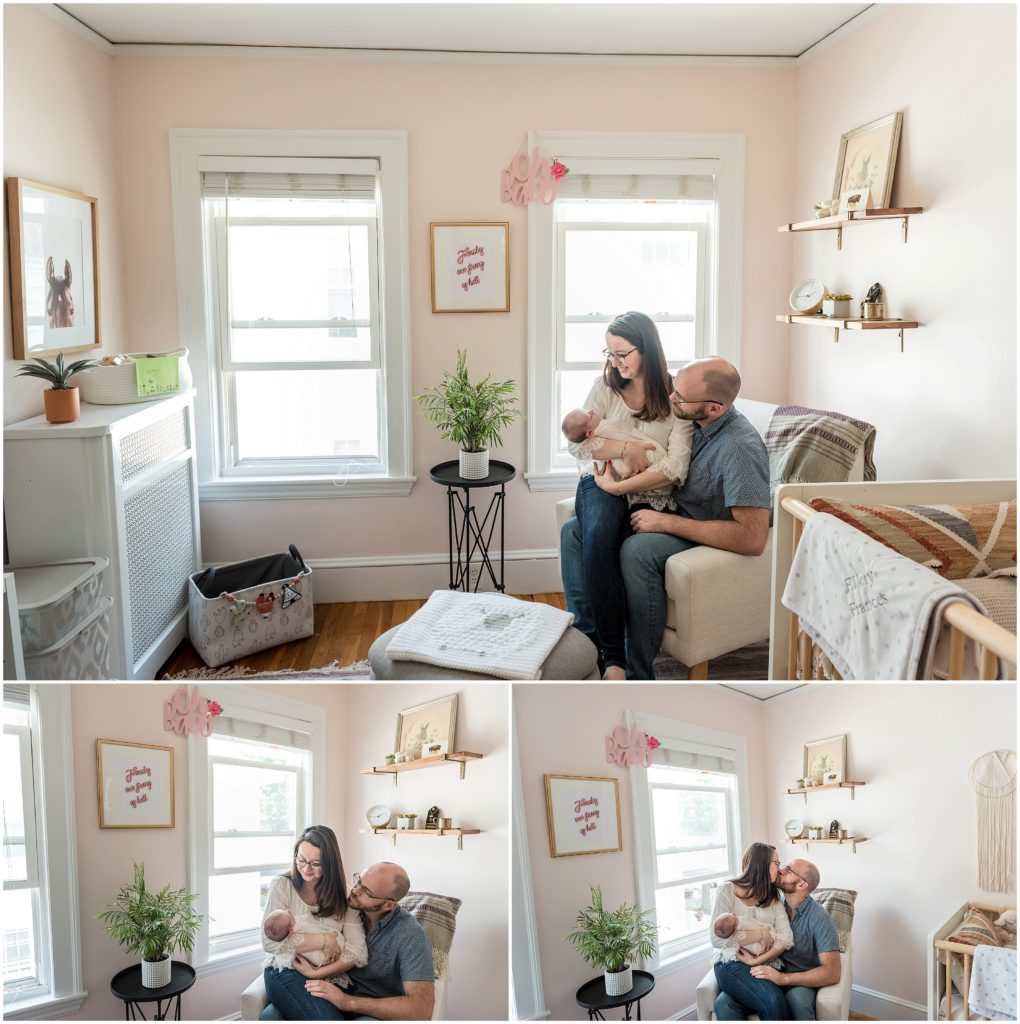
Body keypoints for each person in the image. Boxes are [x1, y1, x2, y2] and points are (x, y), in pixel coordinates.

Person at [562, 355, 770, 678]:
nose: (671, 399)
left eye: (680, 398)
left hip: (698, 531)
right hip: (668, 510)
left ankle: (637, 673)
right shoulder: (697, 420)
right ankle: (590, 653)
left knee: (637, 551)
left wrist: (666, 523)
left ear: (714, 407)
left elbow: (753, 538)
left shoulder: (739, 449)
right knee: (573, 533)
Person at [559, 311, 694, 679]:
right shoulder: (605, 387)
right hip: (599, 480)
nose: (614, 363)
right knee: (600, 533)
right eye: (609, 353)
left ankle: (600, 653)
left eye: (622, 354)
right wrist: (624, 451)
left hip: (642, 491)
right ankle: (612, 659)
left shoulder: (674, 397)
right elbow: (577, 446)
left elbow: (675, 467)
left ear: (647, 349)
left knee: (584, 535)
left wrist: (619, 485)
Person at [302, 861, 435, 1021]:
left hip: (371, 1012)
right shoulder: (344, 909)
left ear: (388, 905)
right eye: (358, 881)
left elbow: (421, 1010)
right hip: (329, 993)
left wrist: (347, 1002)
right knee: (270, 1014)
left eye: (366, 892)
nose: (355, 890)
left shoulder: (410, 935)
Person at [261, 825, 367, 1021]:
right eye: (301, 860)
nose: (306, 868)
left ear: (330, 864)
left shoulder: (344, 893)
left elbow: (357, 951)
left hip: (329, 976)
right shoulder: (282, 885)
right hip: (286, 971)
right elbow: (269, 943)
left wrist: (316, 973)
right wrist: (325, 939)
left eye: (315, 863)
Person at [715, 858, 842, 1021]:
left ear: (802, 885)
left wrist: (783, 979)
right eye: (783, 866)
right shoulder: (772, 905)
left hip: (799, 980)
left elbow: (832, 972)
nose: (780, 870)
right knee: (724, 1002)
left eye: (788, 870)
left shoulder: (820, 919)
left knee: (797, 999)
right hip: (768, 972)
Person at [711, 843, 794, 1020]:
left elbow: (786, 938)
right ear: (762, 864)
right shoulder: (726, 891)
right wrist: (761, 934)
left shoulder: (773, 896)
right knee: (772, 999)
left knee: (724, 1004)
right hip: (731, 963)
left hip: (765, 963)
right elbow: (717, 940)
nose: (779, 869)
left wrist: (757, 960)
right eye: (776, 863)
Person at [560, 408, 673, 497]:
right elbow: (617, 454)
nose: (592, 411)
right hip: (647, 457)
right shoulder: (604, 431)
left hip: (654, 465)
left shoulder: (599, 433)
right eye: (590, 415)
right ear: (589, 433)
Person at [263, 909, 347, 978]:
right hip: (324, 955)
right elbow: (314, 929)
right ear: (290, 932)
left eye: (285, 911)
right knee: (315, 955)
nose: (288, 911)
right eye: (289, 916)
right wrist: (327, 937)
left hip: (329, 951)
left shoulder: (286, 928)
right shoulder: (298, 927)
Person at [713, 912, 778, 959]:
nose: (733, 913)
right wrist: (763, 933)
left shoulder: (735, 932)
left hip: (762, 944)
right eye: (731, 914)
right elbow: (755, 927)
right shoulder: (743, 922)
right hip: (765, 939)